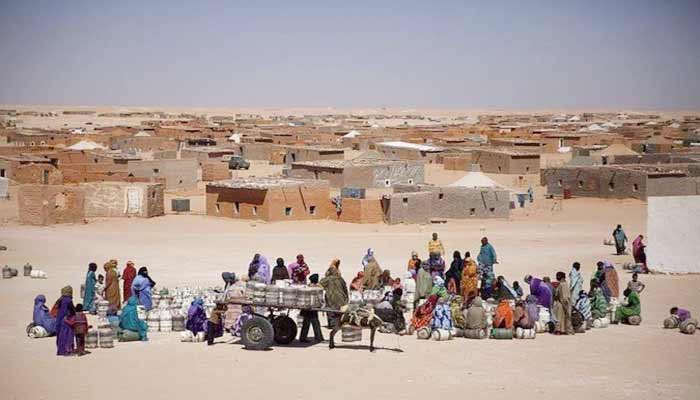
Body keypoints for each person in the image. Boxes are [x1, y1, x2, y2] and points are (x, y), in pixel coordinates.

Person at [320, 260, 348, 328]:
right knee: (339, 311)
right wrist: (346, 297)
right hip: (341, 298)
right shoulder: (341, 279)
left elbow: (320, 284)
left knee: (331, 311)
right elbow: (345, 288)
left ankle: (332, 324)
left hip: (331, 298)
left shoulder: (328, 279)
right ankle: (338, 323)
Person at [299, 274, 323, 342]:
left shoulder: (307, 287)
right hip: (312, 308)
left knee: (306, 323)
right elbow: (319, 298)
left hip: (306, 308)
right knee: (315, 323)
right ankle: (318, 338)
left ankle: (303, 337)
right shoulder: (317, 288)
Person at [55, 286, 76, 356]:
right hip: (66, 320)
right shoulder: (69, 300)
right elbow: (73, 310)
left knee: (60, 335)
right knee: (67, 335)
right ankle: (67, 350)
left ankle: (60, 350)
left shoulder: (60, 299)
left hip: (59, 319)